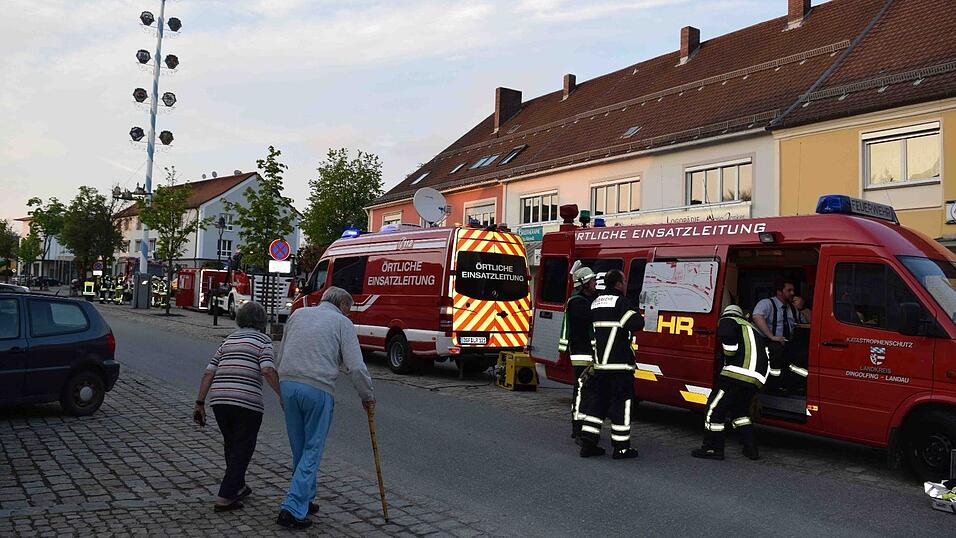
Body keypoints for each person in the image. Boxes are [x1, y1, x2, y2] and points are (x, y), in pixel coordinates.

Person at [274, 286, 375, 530]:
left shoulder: (298, 314)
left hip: (288, 382)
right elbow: (356, 367)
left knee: (299, 447)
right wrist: (367, 395)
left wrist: (281, 387)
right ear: (343, 305)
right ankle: (293, 507)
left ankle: (305, 497)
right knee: (312, 449)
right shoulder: (342, 323)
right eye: (349, 310)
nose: (348, 314)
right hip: (317, 387)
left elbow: (282, 351)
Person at [193, 301, 281, 512]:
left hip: (219, 401)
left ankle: (238, 486)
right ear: (262, 321)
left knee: (232, 445)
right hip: (246, 403)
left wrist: (200, 403)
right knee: (242, 448)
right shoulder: (263, 341)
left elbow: (209, 372)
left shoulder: (228, 340)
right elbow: (267, 370)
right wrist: (282, 394)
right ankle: (225, 496)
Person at [577, 269, 644, 459]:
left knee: (597, 405)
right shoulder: (621, 302)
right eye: (624, 281)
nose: (626, 284)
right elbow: (636, 323)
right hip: (619, 366)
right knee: (622, 406)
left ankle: (588, 444)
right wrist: (637, 310)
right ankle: (621, 448)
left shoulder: (596, 302)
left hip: (600, 366)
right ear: (619, 284)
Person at [692, 304, 771, 461]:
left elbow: (730, 346)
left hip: (735, 375)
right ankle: (751, 449)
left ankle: (712, 448)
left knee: (714, 410)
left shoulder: (728, 320)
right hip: (756, 379)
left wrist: (728, 352)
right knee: (741, 412)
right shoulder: (752, 328)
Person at [558, 261, 598, 439]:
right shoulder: (577, 303)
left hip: (589, 353)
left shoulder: (587, 300)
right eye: (593, 281)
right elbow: (591, 320)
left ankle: (585, 426)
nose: (595, 283)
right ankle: (578, 426)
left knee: (589, 392)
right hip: (582, 353)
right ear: (584, 283)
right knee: (582, 390)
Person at [752, 277, 811, 392]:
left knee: (801, 354)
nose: (792, 293)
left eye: (793, 290)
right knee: (777, 352)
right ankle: (773, 387)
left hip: (787, 342)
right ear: (779, 291)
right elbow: (757, 316)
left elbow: (811, 321)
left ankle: (795, 386)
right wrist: (772, 336)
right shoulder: (766, 303)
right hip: (770, 343)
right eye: (789, 290)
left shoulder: (792, 308)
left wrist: (802, 308)